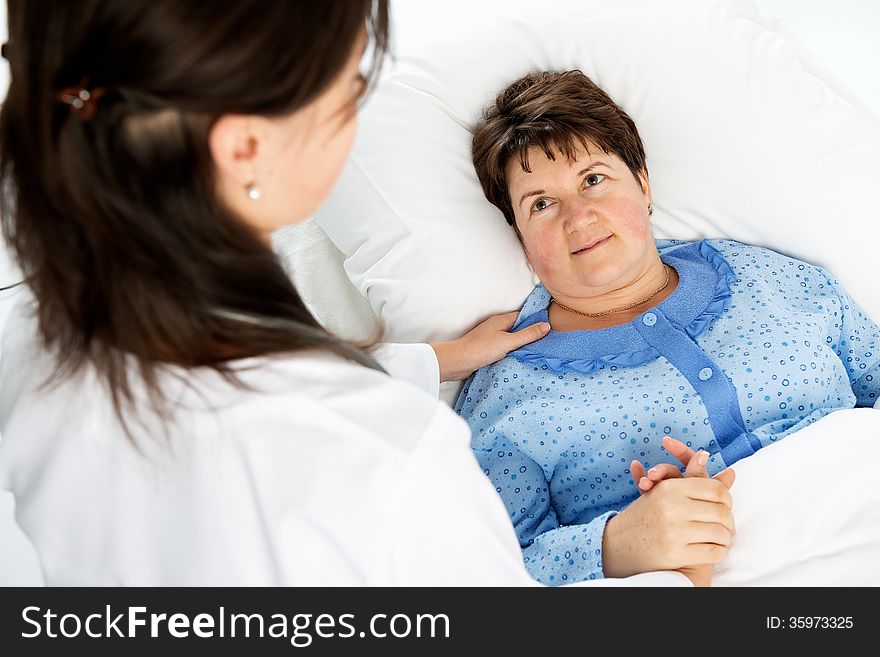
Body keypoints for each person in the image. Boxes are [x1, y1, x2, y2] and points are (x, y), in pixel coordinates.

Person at [0, 1, 693, 587]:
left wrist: (435, 356)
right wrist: (671, 576)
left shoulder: (29, 337)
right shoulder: (391, 458)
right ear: (247, 149)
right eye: (346, 96)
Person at [456, 69, 880, 586]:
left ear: (643, 185)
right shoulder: (508, 397)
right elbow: (488, 570)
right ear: (520, 236)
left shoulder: (766, 276)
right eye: (541, 204)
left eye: (593, 179)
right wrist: (619, 543)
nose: (578, 217)